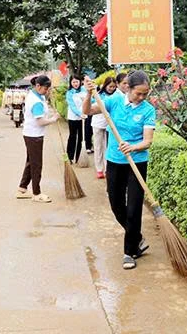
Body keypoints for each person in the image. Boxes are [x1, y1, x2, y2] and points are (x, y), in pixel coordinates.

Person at [83, 71, 156, 270]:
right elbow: (87, 110)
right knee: (116, 205)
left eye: (145, 94)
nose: (141, 97)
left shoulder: (148, 110)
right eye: (138, 93)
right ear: (128, 88)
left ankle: (129, 252)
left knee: (134, 208)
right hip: (115, 161)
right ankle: (137, 237)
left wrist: (133, 147)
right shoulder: (114, 102)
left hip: (137, 162)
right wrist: (89, 93)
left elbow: (147, 141)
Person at [17, 75, 59, 203]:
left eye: (48, 89)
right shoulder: (36, 101)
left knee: (31, 162)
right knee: (36, 165)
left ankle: (22, 188)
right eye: (46, 89)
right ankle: (36, 193)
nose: (47, 91)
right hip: (34, 136)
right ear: (38, 86)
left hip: (31, 134)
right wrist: (53, 119)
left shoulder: (37, 95)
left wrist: (48, 97)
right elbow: (40, 122)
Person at [90, 77, 117, 179]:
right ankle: (99, 169)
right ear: (105, 85)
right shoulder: (98, 95)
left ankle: (107, 169)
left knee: (107, 147)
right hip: (97, 124)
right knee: (98, 147)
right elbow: (91, 106)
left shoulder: (115, 96)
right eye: (110, 86)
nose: (112, 88)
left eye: (114, 87)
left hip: (109, 125)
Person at [65, 76, 85, 164]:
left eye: (77, 82)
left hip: (83, 118)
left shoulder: (84, 90)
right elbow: (72, 106)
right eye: (73, 82)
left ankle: (79, 157)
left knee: (81, 137)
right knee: (72, 136)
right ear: (70, 83)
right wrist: (80, 114)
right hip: (73, 118)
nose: (75, 84)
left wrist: (86, 99)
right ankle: (69, 157)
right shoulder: (69, 93)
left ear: (80, 82)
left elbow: (91, 101)